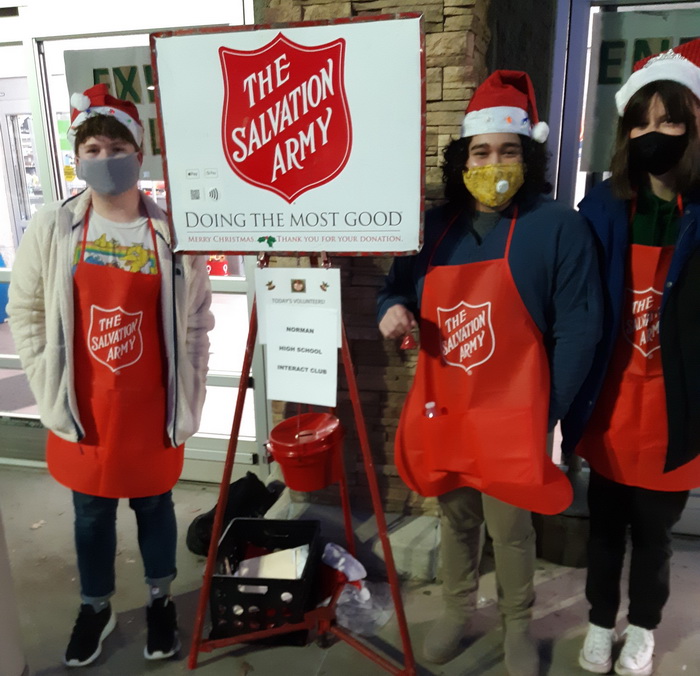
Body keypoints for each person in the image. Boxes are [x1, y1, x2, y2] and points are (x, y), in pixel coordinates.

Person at [377, 70, 602, 676]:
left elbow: (579, 330)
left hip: (513, 416)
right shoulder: (432, 229)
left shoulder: (558, 228)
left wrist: (544, 413)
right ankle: (457, 610)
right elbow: (394, 288)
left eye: (508, 150)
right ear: (463, 159)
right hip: (447, 409)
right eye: (481, 152)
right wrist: (389, 310)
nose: (494, 163)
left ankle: (517, 623)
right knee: (456, 518)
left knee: (512, 527)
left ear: (528, 155)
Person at [7, 84, 214, 667]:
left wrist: (192, 392)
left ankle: (159, 600)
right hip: (87, 407)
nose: (105, 159)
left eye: (117, 148)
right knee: (91, 514)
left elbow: (196, 320)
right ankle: (94, 607)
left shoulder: (172, 234)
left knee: (155, 507)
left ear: (138, 153)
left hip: (150, 408)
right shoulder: (54, 227)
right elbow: (26, 310)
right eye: (92, 149)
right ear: (77, 157)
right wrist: (45, 380)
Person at [562, 39, 700, 676]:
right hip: (611, 407)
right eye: (640, 122)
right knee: (603, 529)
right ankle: (599, 621)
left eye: (670, 120)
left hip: (675, 412)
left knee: (654, 537)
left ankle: (642, 627)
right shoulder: (601, 208)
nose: (653, 135)